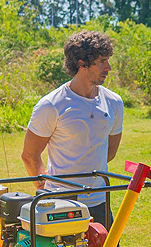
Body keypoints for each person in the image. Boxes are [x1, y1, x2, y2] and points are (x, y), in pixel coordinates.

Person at [22, 30, 124, 228]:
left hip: (100, 202)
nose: (109, 67)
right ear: (82, 64)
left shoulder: (114, 102)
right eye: (102, 61)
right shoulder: (51, 105)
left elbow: (109, 153)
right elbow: (30, 155)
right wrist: (45, 186)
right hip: (60, 204)